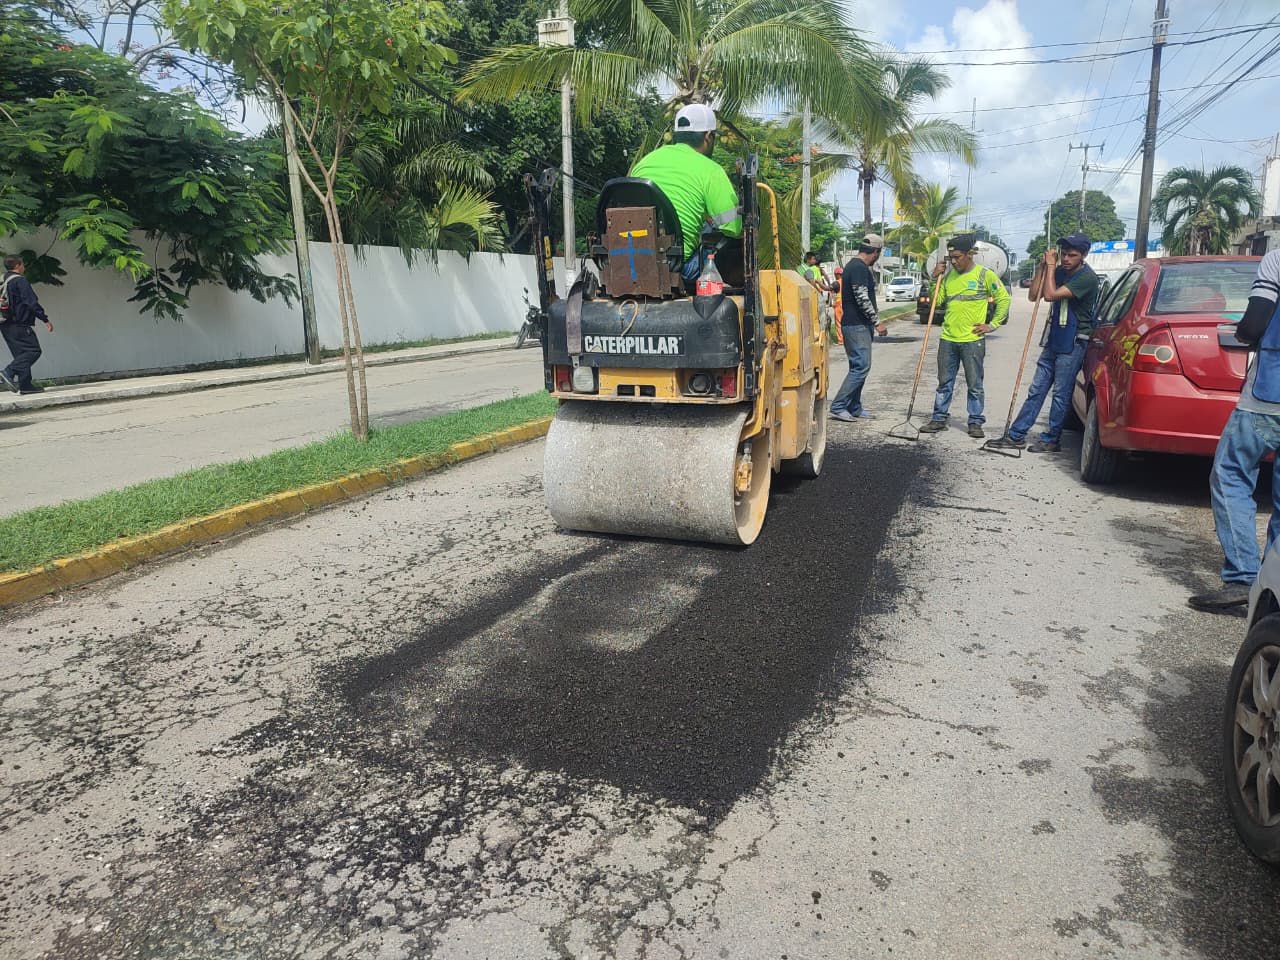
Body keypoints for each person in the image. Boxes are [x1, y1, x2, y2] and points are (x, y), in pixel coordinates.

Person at [1189, 250, 1280, 613]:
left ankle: (1243, 578)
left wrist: (1242, 334)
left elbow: (1255, 322)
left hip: (1269, 396)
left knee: (1231, 473)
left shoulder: (1277, 259)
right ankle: (1273, 593)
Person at [987, 233, 1101, 453]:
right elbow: (1034, 295)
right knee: (1037, 389)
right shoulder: (1058, 272)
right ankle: (1016, 434)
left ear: (1083, 256)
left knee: (1060, 393)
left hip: (1075, 341)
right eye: (1064, 255)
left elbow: (1050, 295)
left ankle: (1052, 439)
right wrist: (1042, 267)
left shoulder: (1086, 278)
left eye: (1072, 255)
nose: (1066, 259)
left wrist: (1051, 268)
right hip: (1055, 338)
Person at [630, 104, 744, 286]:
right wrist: (729, 216)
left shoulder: (644, 162)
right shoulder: (711, 170)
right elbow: (734, 228)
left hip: (632, 263)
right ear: (708, 137)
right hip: (678, 269)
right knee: (732, 244)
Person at [919, 234, 1011, 439]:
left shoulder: (984, 275)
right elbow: (938, 301)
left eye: (958, 257)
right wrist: (935, 278)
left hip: (972, 341)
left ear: (970, 255)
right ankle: (939, 418)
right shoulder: (949, 277)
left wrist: (992, 325)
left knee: (974, 383)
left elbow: (1003, 299)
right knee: (944, 382)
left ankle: (975, 421)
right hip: (948, 338)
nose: (954, 261)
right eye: (951, 258)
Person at [829, 233, 887, 422]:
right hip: (856, 325)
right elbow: (862, 298)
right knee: (861, 367)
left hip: (855, 325)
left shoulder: (852, 266)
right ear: (876, 252)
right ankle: (839, 405)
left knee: (858, 366)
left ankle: (854, 406)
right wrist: (877, 322)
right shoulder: (859, 268)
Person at [0, 254, 53, 394]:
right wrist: (45, 319)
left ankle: (25, 386)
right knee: (33, 351)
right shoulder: (20, 281)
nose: (24, 267)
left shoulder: (2, 279)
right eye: (22, 264)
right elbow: (31, 302)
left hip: (5, 324)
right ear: (17, 265)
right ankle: (8, 372)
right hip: (19, 324)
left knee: (21, 355)